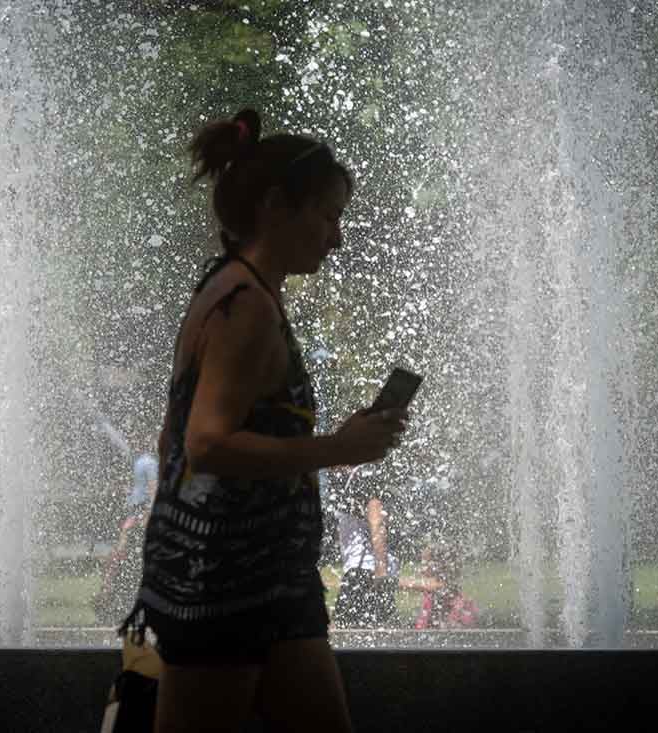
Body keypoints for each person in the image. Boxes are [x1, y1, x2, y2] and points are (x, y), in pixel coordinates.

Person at [118, 108, 406, 733]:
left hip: (265, 577)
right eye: (327, 215)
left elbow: (177, 437)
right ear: (278, 206)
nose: (336, 237)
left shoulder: (233, 289)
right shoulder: (244, 306)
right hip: (225, 580)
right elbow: (207, 443)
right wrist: (336, 448)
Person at [94, 450, 158, 625]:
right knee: (125, 562)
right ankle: (119, 605)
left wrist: (148, 513)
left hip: (140, 514)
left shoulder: (148, 462)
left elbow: (152, 488)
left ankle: (120, 606)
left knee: (129, 563)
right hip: (138, 516)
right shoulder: (141, 461)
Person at [332, 464, 399, 628]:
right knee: (376, 636)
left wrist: (380, 572)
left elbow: (377, 523)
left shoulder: (365, 474)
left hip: (366, 572)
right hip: (375, 570)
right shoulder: (366, 475)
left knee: (344, 635)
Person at [401, 542, 479, 630]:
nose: (421, 570)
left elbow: (406, 583)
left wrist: (390, 582)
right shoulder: (432, 596)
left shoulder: (445, 592)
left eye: (425, 565)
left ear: (440, 567)